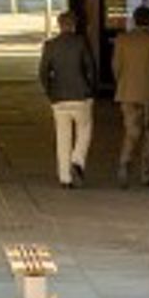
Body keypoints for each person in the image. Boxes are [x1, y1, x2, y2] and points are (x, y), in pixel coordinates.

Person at [39, 10, 97, 188]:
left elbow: (43, 72)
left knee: (62, 137)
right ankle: (77, 161)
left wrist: (50, 92)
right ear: (74, 25)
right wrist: (91, 90)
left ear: (59, 25)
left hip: (59, 98)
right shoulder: (80, 42)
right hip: (81, 96)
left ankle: (65, 178)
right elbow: (90, 68)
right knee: (85, 129)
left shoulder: (50, 45)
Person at [112, 4, 149, 188]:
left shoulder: (122, 40)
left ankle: (124, 162)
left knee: (131, 131)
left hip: (126, 93)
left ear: (134, 20)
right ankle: (146, 174)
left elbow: (116, 68)